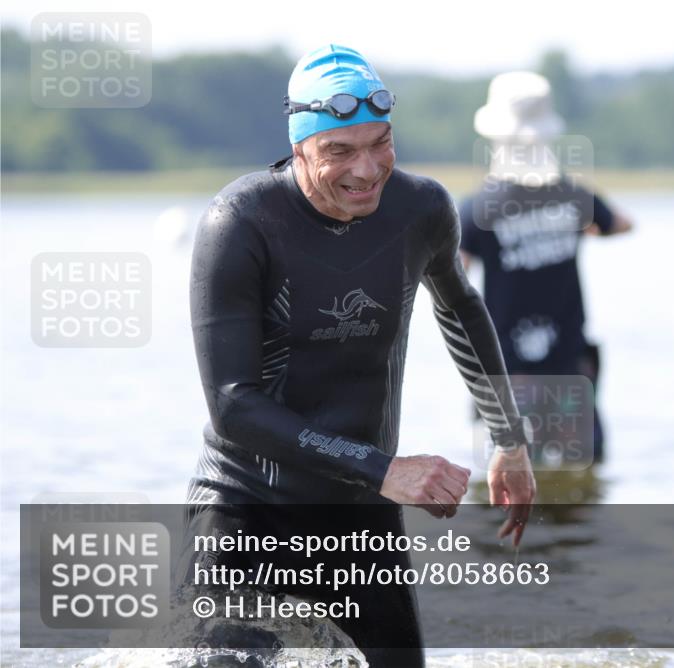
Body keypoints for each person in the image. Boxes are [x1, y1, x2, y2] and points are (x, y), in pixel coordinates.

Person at [177, 44, 536, 667]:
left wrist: (509, 439)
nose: (367, 170)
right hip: (245, 513)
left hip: (359, 514)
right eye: (339, 151)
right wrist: (385, 469)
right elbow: (234, 406)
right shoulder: (240, 222)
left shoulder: (420, 208)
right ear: (299, 149)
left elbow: (461, 308)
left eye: (380, 143)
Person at [459, 71, 633, 465]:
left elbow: (452, 274)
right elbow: (623, 224)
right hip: (569, 369)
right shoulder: (573, 196)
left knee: (501, 488)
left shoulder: (477, 208)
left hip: (505, 375)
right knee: (581, 477)